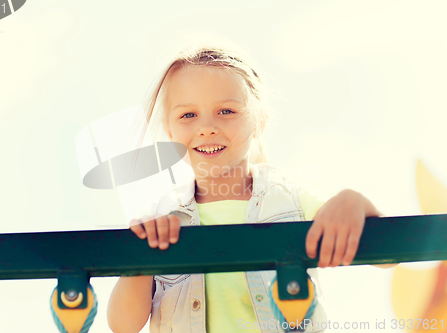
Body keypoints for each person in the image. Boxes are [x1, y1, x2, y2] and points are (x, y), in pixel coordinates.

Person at [107, 40, 381, 333]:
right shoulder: (159, 219)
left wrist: (354, 201)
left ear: (259, 120)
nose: (207, 127)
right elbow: (123, 326)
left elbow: (385, 259)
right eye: (188, 115)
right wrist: (140, 259)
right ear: (169, 129)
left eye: (226, 111)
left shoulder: (292, 200)